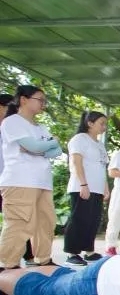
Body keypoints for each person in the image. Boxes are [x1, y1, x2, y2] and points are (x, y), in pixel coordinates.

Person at [0, 86, 61, 280]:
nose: (43, 104)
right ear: (23, 100)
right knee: (20, 224)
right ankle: (7, 267)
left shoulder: (40, 127)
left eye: (44, 100)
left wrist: (40, 147)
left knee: (46, 223)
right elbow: (35, 146)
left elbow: (56, 151)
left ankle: (44, 261)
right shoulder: (13, 122)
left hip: (43, 182)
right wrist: (47, 144)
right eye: (40, 99)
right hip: (19, 180)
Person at [63, 111, 110, 266]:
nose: (104, 126)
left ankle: (89, 251)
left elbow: (102, 167)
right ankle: (71, 253)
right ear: (90, 123)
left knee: (93, 220)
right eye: (101, 123)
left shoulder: (100, 144)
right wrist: (83, 184)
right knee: (79, 219)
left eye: (105, 124)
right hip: (81, 186)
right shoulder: (79, 139)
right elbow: (76, 162)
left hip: (97, 188)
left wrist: (105, 188)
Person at [0, 94, 34, 268]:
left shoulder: (17, 128)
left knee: (20, 219)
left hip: (13, 179)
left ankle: (27, 256)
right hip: (7, 179)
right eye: (9, 107)